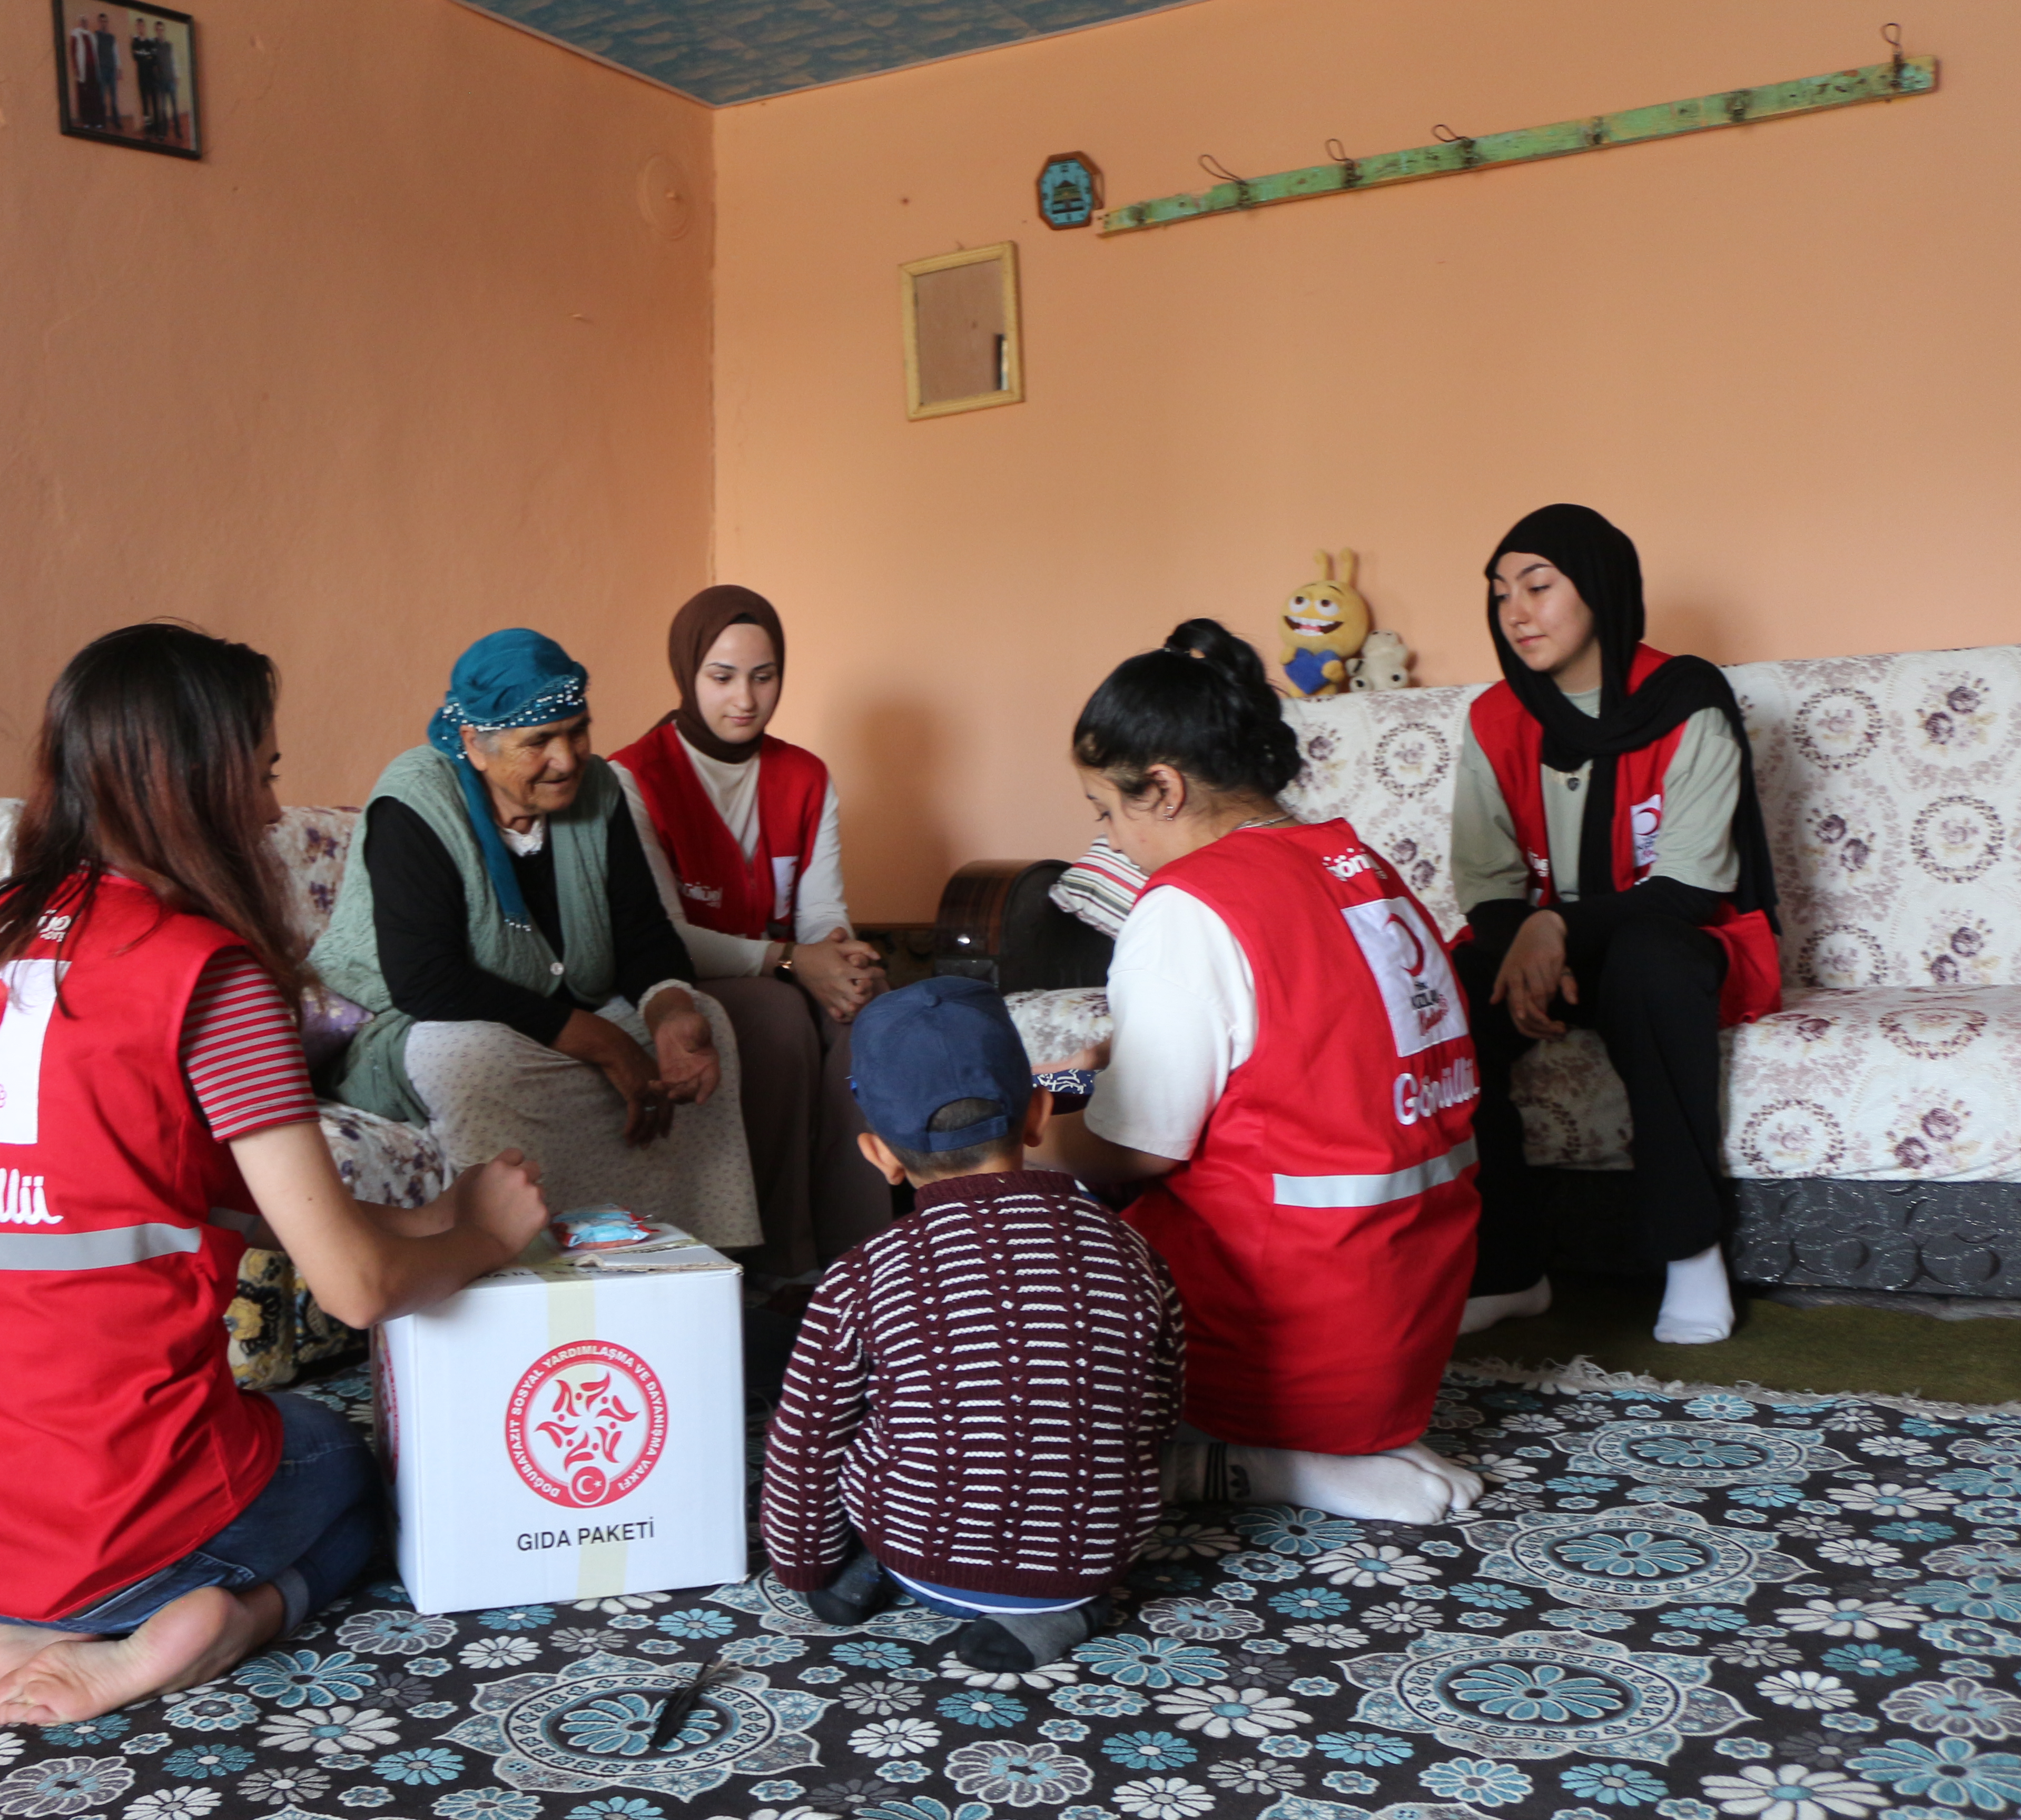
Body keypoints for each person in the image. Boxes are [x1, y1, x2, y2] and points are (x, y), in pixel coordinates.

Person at [0, 624, 548, 1726]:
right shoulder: (204, 979)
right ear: (198, 785)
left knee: (87, 1477)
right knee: (346, 1466)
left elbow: (110, 1198)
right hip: (108, 1520)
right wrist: (485, 1234)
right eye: (263, 772)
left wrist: (417, 1215)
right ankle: (224, 1620)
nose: (273, 810)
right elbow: (358, 1294)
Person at [1029, 619, 1485, 1525]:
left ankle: (1262, 1464)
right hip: (1399, 1326)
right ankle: (1346, 1439)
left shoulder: (1189, 906)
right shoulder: (1360, 869)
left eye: (1105, 811)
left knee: (1019, 1216)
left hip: (1288, 1341)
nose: (1110, 839)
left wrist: (1038, 1129)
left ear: (1160, 787)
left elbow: (1133, 1153)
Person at [758, 977, 1182, 1672]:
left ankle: (873, 1570)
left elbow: (806, 1444)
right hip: (1085, 1557)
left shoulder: (865, 1273)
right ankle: (1060, 1613)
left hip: (919, 1551)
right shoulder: (1131, 1250)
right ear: (1040, 1115)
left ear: (880, 1156)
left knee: (860, 1425)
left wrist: (807, 1572)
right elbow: (1159, 1412)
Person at [1451, 504, 1782, 1346]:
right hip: (1539, 947)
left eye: (1538, 586)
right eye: (1500, 595)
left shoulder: (1684, 698)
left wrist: (1556, 926)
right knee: (1442, 996)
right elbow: (1488, 887)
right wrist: (1530, 941)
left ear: (1599, 591)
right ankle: (1509, 1268)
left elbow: (1687, 888)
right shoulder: (1494, 719)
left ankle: (1690, 1252)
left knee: (1650, 963)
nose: (1516, 612)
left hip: (1672, 938)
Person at [314, 629, 762, 1248]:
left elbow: (641, 930)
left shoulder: (599, 789)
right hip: (416, 1024)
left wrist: (670, 1013)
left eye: (578, 731)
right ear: (474, 744)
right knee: (472, 1058)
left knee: (707, 1018)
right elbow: (428, 981)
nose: (568, 757)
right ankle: (528, 1260)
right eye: (539, 742)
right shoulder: (415, 800)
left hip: (552, 1016)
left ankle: (684, 1261)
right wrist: (606, 1045)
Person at [611, 586, 889, 1278]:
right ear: (686, 674)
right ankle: (779, 1267)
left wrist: (840, 955)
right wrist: (791, 960)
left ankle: (862, 1262)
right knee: (776, 1018)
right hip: (683, 977)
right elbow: (662, 933)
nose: (746, 699)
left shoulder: (805, 775)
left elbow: (823, 906)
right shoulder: (632, 778)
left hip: (787, 963)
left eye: (764, 678)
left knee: (871, 1008)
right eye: (723, 677)